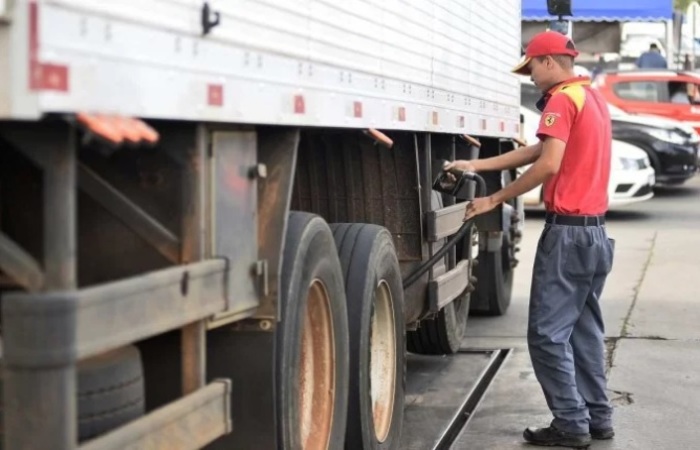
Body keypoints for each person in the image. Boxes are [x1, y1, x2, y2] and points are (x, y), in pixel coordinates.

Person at [444, 31, 615, 448]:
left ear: (550, 62)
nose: (531, 76)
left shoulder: (560, 99)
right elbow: (539, 151)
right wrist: (478, 162)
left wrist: (494, 199)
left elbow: (548, 164)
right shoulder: (591, 99)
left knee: (545, 335)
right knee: (583, 331)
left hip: (568, 238)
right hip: (596, 236)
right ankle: (597, 416)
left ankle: (571, 424)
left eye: (532, 67)